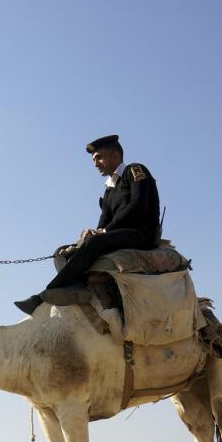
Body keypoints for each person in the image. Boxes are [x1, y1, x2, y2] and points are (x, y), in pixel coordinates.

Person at [14, 134, 161, 315]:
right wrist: (94, 231)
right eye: (94, 159)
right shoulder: (108, 190)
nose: (95, 163)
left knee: (95, 243)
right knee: (62, 252)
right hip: (117, 234)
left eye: (99, 157)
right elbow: (103, 222)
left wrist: (104, 232)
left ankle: (43, 295)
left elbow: (138, 206)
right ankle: (79, 286)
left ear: (115, 156)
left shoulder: (135, 171)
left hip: (140, 234)